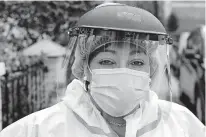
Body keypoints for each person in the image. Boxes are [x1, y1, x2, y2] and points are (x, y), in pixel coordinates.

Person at [1, 3, 205, 137]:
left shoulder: (181, 125)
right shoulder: (40, 130)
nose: (123, 72)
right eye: (107, 61)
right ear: (85, 69)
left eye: (137, 63)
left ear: (151, 70)